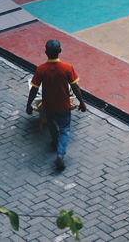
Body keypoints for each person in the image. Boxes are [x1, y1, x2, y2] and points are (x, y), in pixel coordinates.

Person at [26, 39, 87, 171]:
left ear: (45, 52)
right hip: (63, 106)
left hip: (48, 106)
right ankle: (60, 154)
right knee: (64, 129)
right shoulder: (67, 68)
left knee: (53, 126)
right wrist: (81, 103)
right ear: (60, 51)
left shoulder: (41, 69)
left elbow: (34, 89)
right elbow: (75, 88)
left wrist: (29, 105)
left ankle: (55, 142)